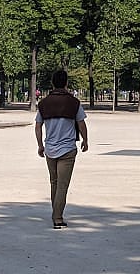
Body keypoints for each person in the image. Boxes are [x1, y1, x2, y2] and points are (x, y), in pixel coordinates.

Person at [35, 70, 89, 229]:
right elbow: (81, 123)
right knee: (62, 185)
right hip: (67, 149)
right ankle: (57, 217)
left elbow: (38, 125)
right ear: (66, 83)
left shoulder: (44, 104)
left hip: (50, 149)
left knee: (54, 183)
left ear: (52, 83)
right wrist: (85, 140)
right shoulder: (74, 103)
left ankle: (56, 212)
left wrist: (40, 144)